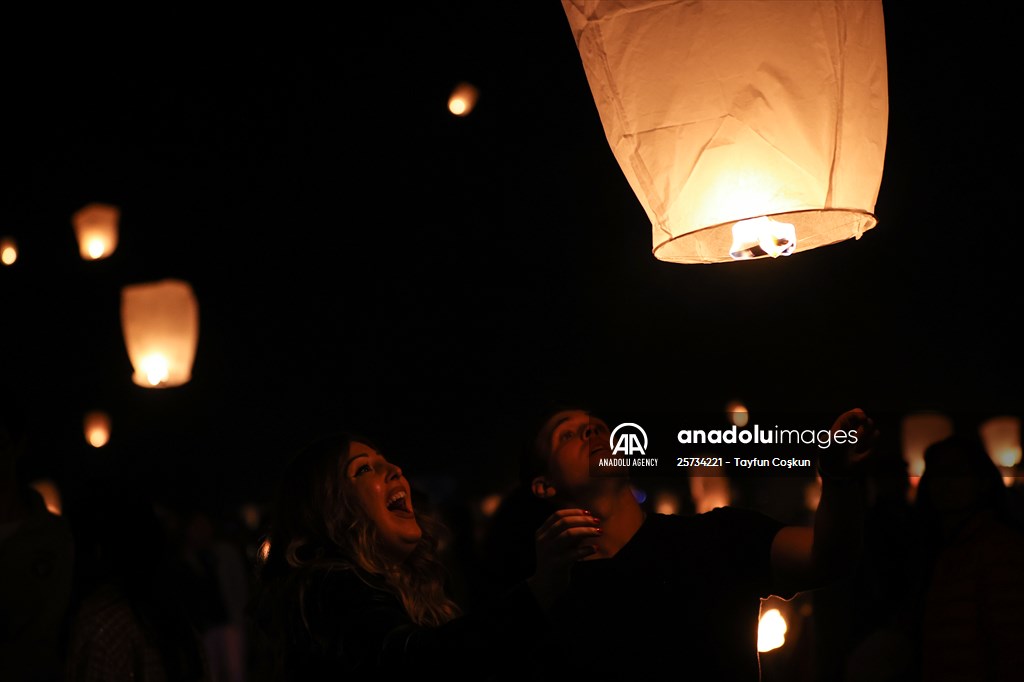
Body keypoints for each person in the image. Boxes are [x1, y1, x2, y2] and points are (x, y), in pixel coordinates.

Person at [513, 405, 879, 681]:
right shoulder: (547, 597)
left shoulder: (718, 536)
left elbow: (827, 557)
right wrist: (541, 589)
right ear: (544, 486)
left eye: (597, 427)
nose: (591, 431)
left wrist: (838, 478)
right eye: (567, 434)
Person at [249, 431, 600, 681]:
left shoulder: (410, 587)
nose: (396, 469)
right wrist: (537, 590)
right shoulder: (328, 588)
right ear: (330, 511)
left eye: (386, 461)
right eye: (364, 469)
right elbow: (418, 661)